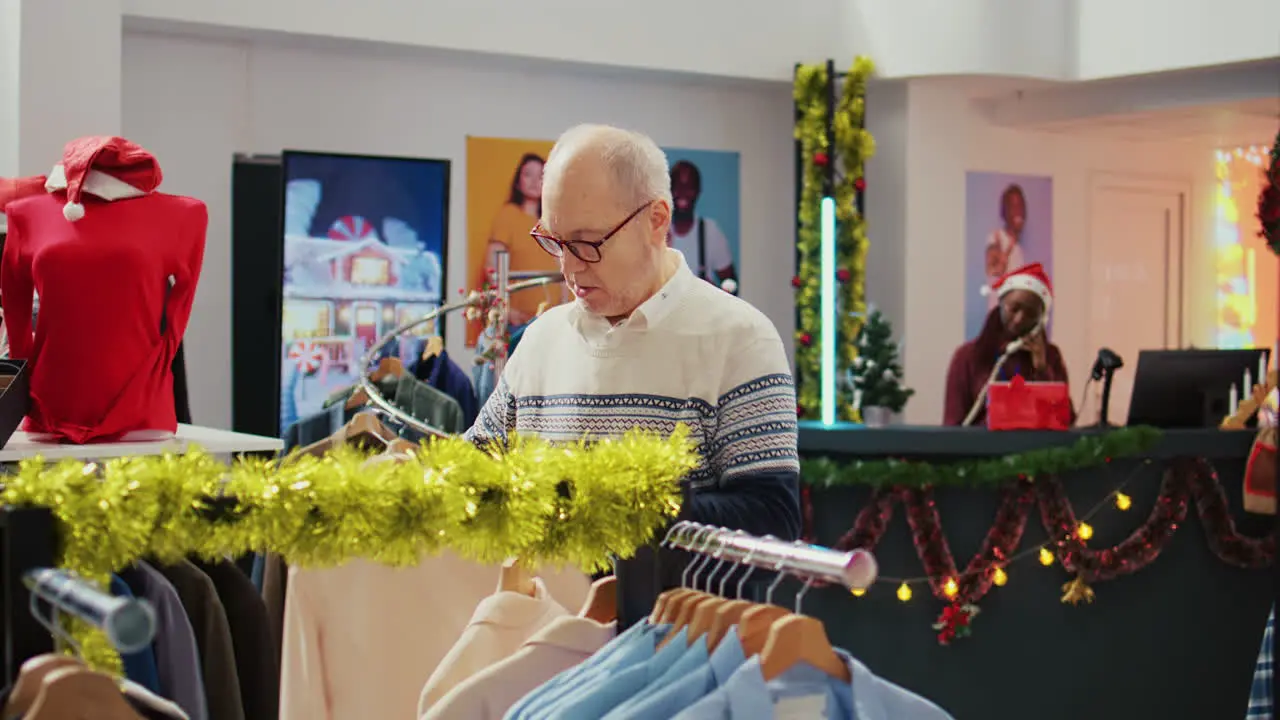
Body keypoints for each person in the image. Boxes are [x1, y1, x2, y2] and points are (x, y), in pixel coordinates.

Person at [465, 124, 800, 628]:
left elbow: (774, 520)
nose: (571, 269)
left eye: (587, 242)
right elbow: (478, 464)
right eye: (555, 241)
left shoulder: (741, 339)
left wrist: (640, 507)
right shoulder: (541, 339)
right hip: (538, 658)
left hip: (675, 664)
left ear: (657, 220)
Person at [944, 263, 1070, 426]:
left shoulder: (1051, 356)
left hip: (1035, 449)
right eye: (1014, 308)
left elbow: (1066, 420)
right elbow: (952, 424)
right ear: (1001, 303)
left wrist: (1042, 369)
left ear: (1041, 319)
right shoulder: (967, 356)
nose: (1019, 319)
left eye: (1031, 313)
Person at [479, 153, 554, 330]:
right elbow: (492, 266)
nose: (534, 181)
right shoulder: (509, 215)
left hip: (552, 320)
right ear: (518, 181)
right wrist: (506, 308)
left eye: (541, 176)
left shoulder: (552, 223)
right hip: (518, 321)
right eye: (528, 174)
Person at [667, 160, 737, 286]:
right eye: (678, 186)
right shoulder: (656, 233)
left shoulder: (710, 232)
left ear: (698, 191)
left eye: (689, 187)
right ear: (669, 190)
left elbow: (732, 284)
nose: (683, 192)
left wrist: (716, 292)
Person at [984, 184, 1027, 312]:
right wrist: (1004, 256)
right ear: (1004, 212)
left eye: (1021, 206)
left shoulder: (1019, 249)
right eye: (1012, 206)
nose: (1018, 211)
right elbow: (993, 269)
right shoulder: (995, 237)